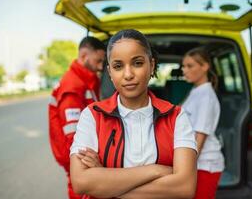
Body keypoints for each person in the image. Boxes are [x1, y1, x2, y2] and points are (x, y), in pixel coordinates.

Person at [69, 29, 198, 199]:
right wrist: (156, 170)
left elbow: (184, 187)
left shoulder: (176, 117)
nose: (128, 74)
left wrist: (104, 181)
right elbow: (80, 182)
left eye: (137, 63)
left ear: (151, 66)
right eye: (118, 66)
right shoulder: (92, 115)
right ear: (110, 72)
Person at [48, 36, 106, 199]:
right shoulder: (73, 87)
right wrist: (85, 166)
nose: (101, 66)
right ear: (83, 56)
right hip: (79, 162)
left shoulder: (85, 81)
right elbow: (73, 140)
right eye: (98, 60)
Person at [181, 47, 225, 199]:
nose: (184, 70)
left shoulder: (206, 97)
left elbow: (200, 137)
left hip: (205, 164)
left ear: (205, 66)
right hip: (196, 162)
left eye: (190, 66)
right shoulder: (196, 91)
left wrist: (185, 168)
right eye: (183, 66)